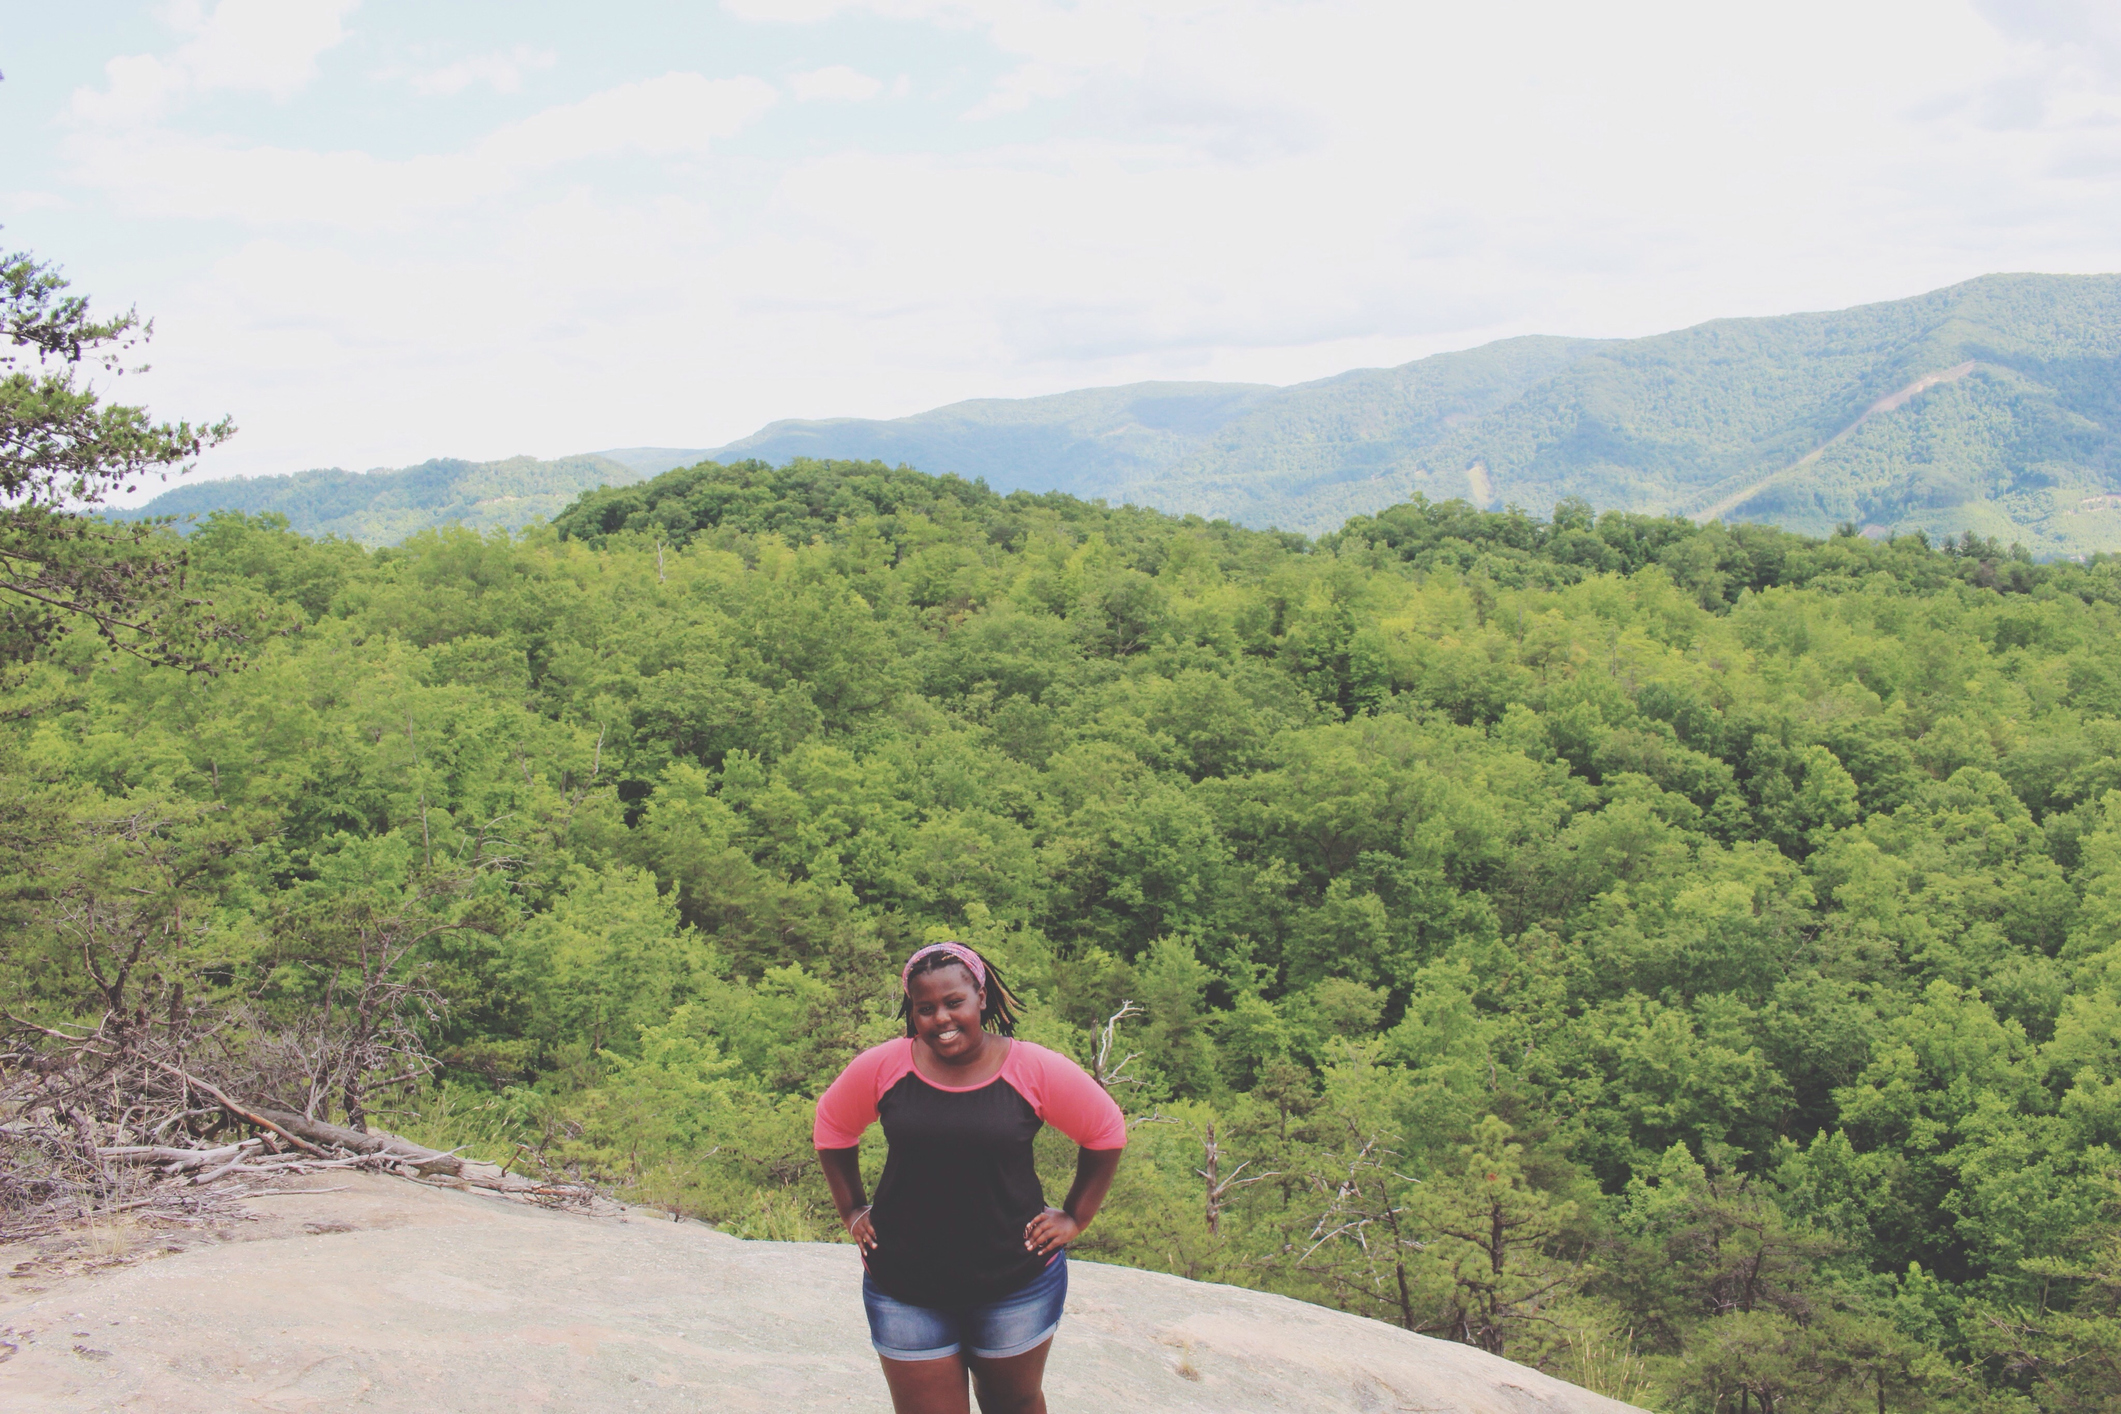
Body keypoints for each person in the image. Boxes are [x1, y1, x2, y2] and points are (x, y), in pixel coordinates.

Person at [815, 942, 1126, 1414]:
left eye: (953, 1002)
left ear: (981, 997)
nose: (941, 1018)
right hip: (904, 1285)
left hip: (1015, 1283)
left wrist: (1075, 1216)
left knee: (1012, 1405)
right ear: (912, 1012)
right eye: (925, 1008)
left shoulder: (1030, 1067)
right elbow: (833, 1126)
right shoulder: (885, 1066)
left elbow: (1105, 1130)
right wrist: (852, 1209)